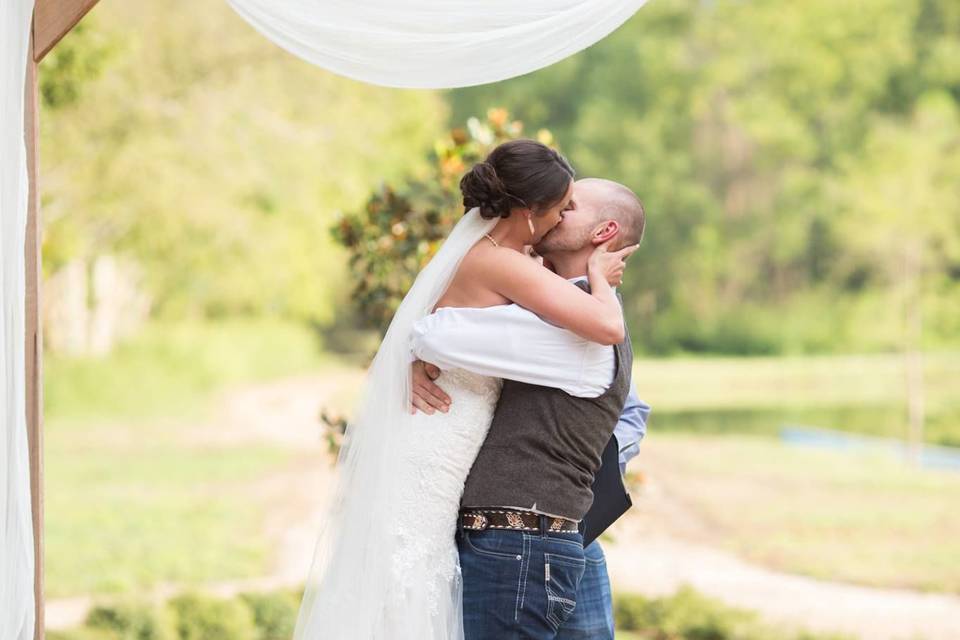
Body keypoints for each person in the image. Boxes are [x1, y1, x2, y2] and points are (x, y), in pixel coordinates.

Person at [291, 141, 637, 640]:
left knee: (418, 591)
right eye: (560, 208)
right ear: (530, 213)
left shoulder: (515, 267)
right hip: (440, 449)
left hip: (471, 470)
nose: (561, 218)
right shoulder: (506, 265)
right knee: (410, 587)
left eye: (570, 210)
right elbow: (605, 324)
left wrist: (423, 344)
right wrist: (601, 278)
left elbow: (445, 332)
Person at [409, 177, 647, 639]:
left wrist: (416, 352)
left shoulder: (585, 327)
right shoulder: (559, 306)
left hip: (524, 539)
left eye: (569, 206)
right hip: (547, 533)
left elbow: (436, 333)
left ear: (604, 232)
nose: (552, 210)